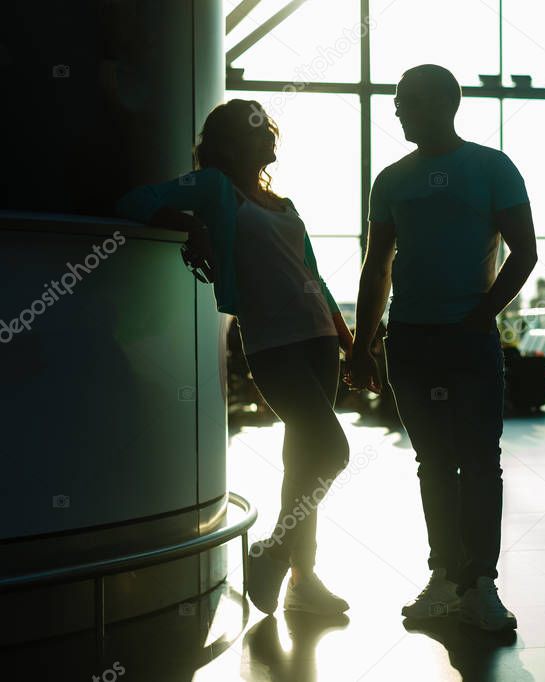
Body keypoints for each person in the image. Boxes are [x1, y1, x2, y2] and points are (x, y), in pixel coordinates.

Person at [115, 100, 354, 617]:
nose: (267, 136)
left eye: (266, 127)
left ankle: (302, 579)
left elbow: (313, 276)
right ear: (229, 143)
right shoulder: (215, 188)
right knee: (332, 451)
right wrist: (188, 223)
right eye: (253, 129)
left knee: (305, 461)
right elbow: (132, 201)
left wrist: (350, 342)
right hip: (272, 342)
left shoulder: (283, 203)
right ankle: (272, 553)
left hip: (317, 339)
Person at [345, 64, 537, 632]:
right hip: (412, 337)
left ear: (441, 103)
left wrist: (478, 318)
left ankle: (479, 582)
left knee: (478, 460)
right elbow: (377, 266)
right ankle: (446, 575)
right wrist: (362, 344)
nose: (397, 110)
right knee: (435, 462)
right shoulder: (392, 179)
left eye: (405, 100)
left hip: (468, 339)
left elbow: (524, 253)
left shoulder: (491, 167)